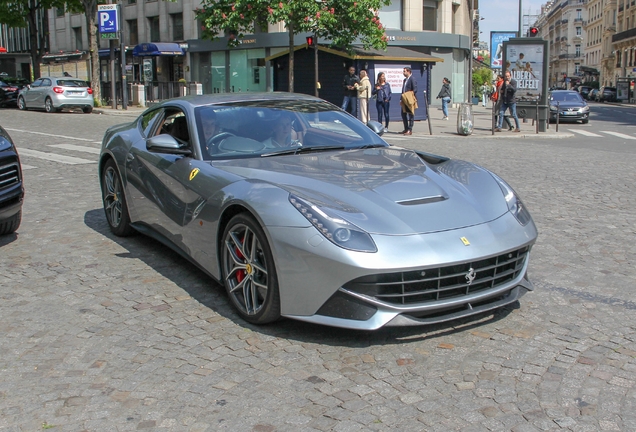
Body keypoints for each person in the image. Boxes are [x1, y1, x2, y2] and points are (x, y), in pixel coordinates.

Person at [399, 67, 417, 135]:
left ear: (408, 71)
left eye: (404, 71)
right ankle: (406, 128)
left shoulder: (412, 79)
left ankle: (410, 129)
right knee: (403, 114)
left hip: (409, 99)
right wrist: (401, 99)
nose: (403, 73)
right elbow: (403, 90)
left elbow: (415, 89)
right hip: (404, 99)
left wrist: (409, 95)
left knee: (411, 115)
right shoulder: (405, 80)